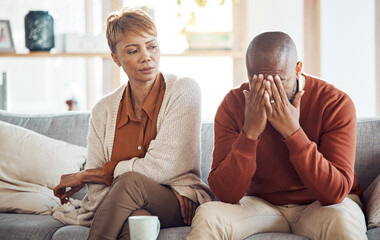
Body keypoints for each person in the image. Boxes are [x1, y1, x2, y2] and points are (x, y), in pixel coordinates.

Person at [187, 31, 367, 240]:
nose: (270, 91)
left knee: (344, 221)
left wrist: (292, 132)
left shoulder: (335, 102)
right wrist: (250, 133)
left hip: (322, 206)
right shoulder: (233, 104)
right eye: (259, 82)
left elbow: (334, 193)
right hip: (261, 206)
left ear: (298, 69)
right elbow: (226, 194)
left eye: (280, 81)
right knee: (209, 216)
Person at [52, 7, 213, 240]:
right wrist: (99, 179)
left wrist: (87, 174)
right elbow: (98, 193)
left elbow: (161, 168)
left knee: (131, 182)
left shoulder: (184, 90)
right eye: (133, 50)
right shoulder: (103, 110)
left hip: (177, 203)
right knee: (135, 219)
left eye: (152, 46)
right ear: (116, 58)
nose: (146, 56)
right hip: (124, 204)